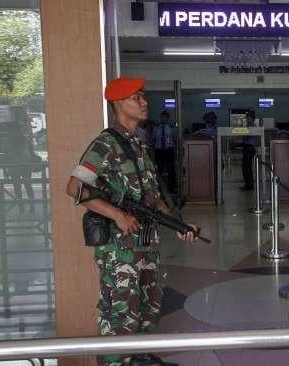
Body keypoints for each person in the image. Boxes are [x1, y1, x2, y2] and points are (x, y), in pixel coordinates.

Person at [65, 76, 197, 366]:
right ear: (117, 104)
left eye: (143, 96)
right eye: (135, 97)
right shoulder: (106, 144)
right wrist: (117, 215)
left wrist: (179, 225)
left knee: (150, 303)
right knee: (121, 308)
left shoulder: (138, 144)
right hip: (118, 247)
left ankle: (140, 357)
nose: (144, 101)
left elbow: (152, 199)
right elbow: (75, 187)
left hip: (146, 240)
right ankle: (116, 362)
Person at [152, 111, 176, 193]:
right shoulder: (156, 127)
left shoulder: (171, 127)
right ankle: (159, 190)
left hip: (169, 150)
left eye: (165, 117)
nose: (163, 119)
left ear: (168, 118)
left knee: (171, 170)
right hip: (159, 150)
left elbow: (175, 138)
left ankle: (172, 189)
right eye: (162, 117)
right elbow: (153, 138)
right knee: (159, 170)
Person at [240, 111, 258, 191]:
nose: (247, 119)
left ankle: (249, 185)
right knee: (247, 167)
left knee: (246, 167)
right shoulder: (249, 126)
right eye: (247, 117)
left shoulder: (252, 126)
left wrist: (243, 134)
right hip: (247, 147)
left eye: (248, 117)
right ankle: (248, 184)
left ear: (252, 118)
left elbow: (247, 136)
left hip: (249, 147)